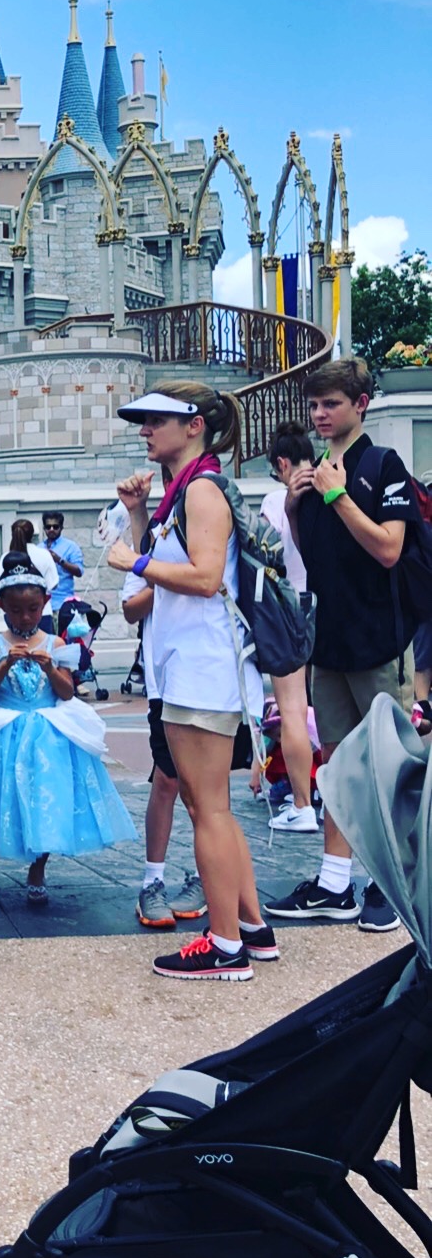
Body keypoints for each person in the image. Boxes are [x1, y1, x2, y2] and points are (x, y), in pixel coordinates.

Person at [106, 385, 272, 981]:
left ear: (194, 425)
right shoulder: (191, 486)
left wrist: (136, 563)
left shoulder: (201, 489)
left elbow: (203, 577)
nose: (145, 430)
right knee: (213, 810)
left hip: (203, 672)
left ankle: (225, 946)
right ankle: (252, 928)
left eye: (156, 421)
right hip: (195, 668)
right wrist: (139, 521)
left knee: (209, 811)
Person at [267, 357, 411, 935]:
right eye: (315, 405)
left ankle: (390, 885)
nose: (321, 415)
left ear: (361, 404)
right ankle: (333, 884)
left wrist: (335, 496)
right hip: (328, 643)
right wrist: (300, 507)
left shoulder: (383, 465)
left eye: (332, 404)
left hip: (378, 643)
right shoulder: (319, 470)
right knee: (339, 768)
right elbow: (314, 556)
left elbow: (388, 550)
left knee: (386, 769)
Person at [0, 556, 132, 906]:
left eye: (32, 609)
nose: (25, 617)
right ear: (2, 606)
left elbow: (66, 692)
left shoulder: (56, 645)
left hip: (47, 736)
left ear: (45, 604)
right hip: (4, 732)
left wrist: (51, 669)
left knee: (44, 800)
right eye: (16, 610)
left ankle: (38, 869)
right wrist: (5, 663)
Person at [119, 507, 206, 932]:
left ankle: (207, 876)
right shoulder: (153, 544)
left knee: (206, 789)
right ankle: (153, 881)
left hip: (208, 677)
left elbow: (211, 583)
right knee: (168, 779)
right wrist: (167, 580)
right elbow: (130, 609)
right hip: (164, 680)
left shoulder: (210, 533)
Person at [258, 424, 320, 834]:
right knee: (327, 710)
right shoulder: (330, 489)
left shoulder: (277, 499)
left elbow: (263, 555)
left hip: (286, 606)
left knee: (293, 710)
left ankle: (302, 803)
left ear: (282, 463)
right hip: (320, 604)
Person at [5, 519, 58, 616]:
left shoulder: (7, 557)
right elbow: (53, 584)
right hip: (42, 611)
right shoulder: (44, 555)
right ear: (32, 534)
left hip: (14, 612)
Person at [42, 511, 85, 612]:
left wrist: (59, 560)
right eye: (48, 527)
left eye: (55, 526)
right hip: (43, 606)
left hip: (63, 604)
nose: (51, 529)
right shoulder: (39, 548)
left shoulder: (71, 547)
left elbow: (79, 571)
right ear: (44, 529)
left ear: (61, 527)